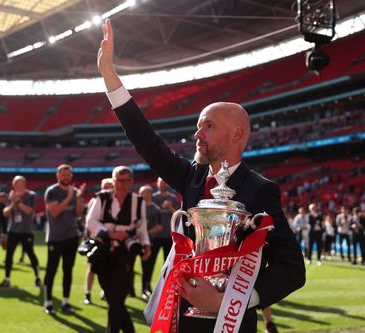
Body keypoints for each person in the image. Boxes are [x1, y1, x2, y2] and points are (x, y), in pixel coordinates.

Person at [97, 18, 305, 333]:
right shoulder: (192, 177)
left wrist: (231, 301)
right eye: (198, 125)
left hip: (230, 324)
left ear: (237, 134)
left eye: (208, 125)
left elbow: (291, 269)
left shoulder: (260, 190)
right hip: (180, 318)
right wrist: (109, 76)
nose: (197, 133)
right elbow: (146, 140)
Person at [86, 166, 151, 333]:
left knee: (116, 299)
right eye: (118, 180)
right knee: (113, 301)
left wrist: (146, 245)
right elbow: (90, 222)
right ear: (113, 180)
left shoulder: (138, 202)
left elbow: (141, 227)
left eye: (125, 181)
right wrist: (111, 234)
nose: (121, 185)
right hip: (102, 253)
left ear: (131, 182)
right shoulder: (101, 198)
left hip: (125, 255)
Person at [43, 164, 86, 315]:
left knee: (68, 270)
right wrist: (69, 197)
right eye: (63, 174)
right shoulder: (52, 191)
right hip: (55, 237)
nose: (66, 177)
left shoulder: (76, 192)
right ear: (58, 176)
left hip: (71, 236)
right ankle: (48, 302)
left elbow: (79, 213)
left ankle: (66, 302)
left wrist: (79, 198)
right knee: (51, 270)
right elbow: (54, 212)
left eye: (69, 175)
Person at [0, 175, 41, 288]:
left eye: (20, 183)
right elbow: (5, 213)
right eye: (16, 183)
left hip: (27, 230)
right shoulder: (11, 196)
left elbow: (29, 211)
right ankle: (7, 279)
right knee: (9, 255)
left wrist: (18, 202)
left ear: (24, 183)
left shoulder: (31, 195)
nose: (18, 185)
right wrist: (13, 203)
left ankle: (38, 277)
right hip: (13, 230)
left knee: (30, 254)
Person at [84, 177, 113, 305]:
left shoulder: (116, 201)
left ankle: (104, 291)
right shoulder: (95, 200)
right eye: (105, 186)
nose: (107, 189)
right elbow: (88, 221)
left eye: (109, 186)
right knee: (92, 268)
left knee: (108, 268)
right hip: (96, 240)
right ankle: (88, 293)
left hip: (110, 240)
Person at [138, 185, 163, 301]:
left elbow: (159, 226)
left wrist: (145, 232)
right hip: (135, 240)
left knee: (148, 265)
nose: (144, 194)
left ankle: (145, 288)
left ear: (150, 194)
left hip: (150, 241)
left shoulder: (156, 209)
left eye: (146, 192)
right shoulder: (136, 207)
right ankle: (130, 289)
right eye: (142, 192)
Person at [152, 177, 179, 261]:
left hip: (168, 235)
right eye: (161, 182)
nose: (162, 184)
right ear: (157, 183)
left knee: (168, 261)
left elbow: (178, 215)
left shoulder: (172, 198)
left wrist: (170, 207)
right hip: (154, 235)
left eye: (164, 182)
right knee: (150, 261)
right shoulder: (152, 198)